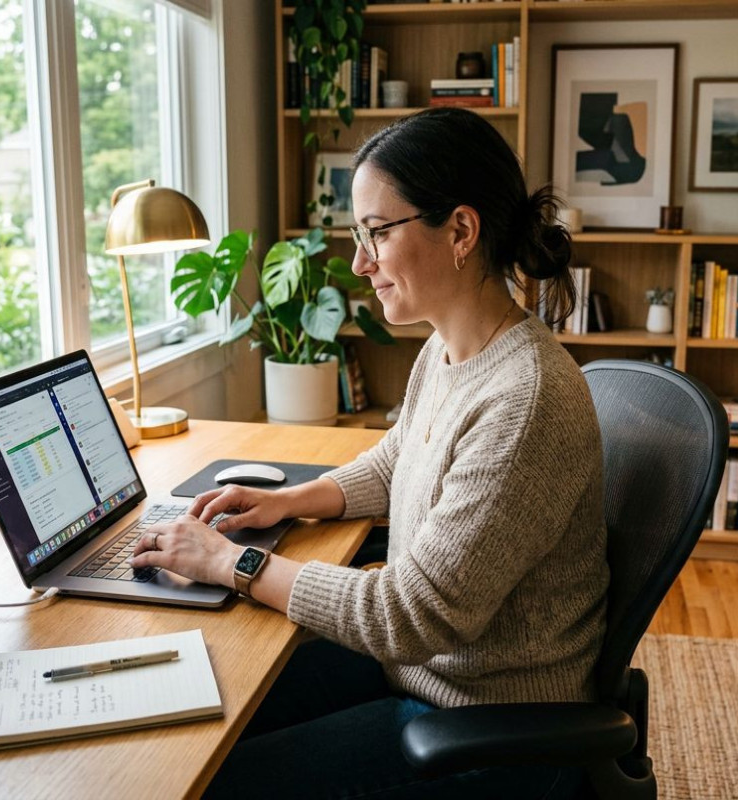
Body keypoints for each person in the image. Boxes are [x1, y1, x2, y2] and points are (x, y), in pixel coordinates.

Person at [131, 107, 609, 798]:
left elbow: (409, 615)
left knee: (214, 780)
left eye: (378, 233)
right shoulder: (449, 349)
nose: (360, 263)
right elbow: (396, 461)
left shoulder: (523, 399)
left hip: (486, 729)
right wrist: (289, 500)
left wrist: (231, 561)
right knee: (207, 713)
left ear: (461, 232)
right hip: (424, 675)